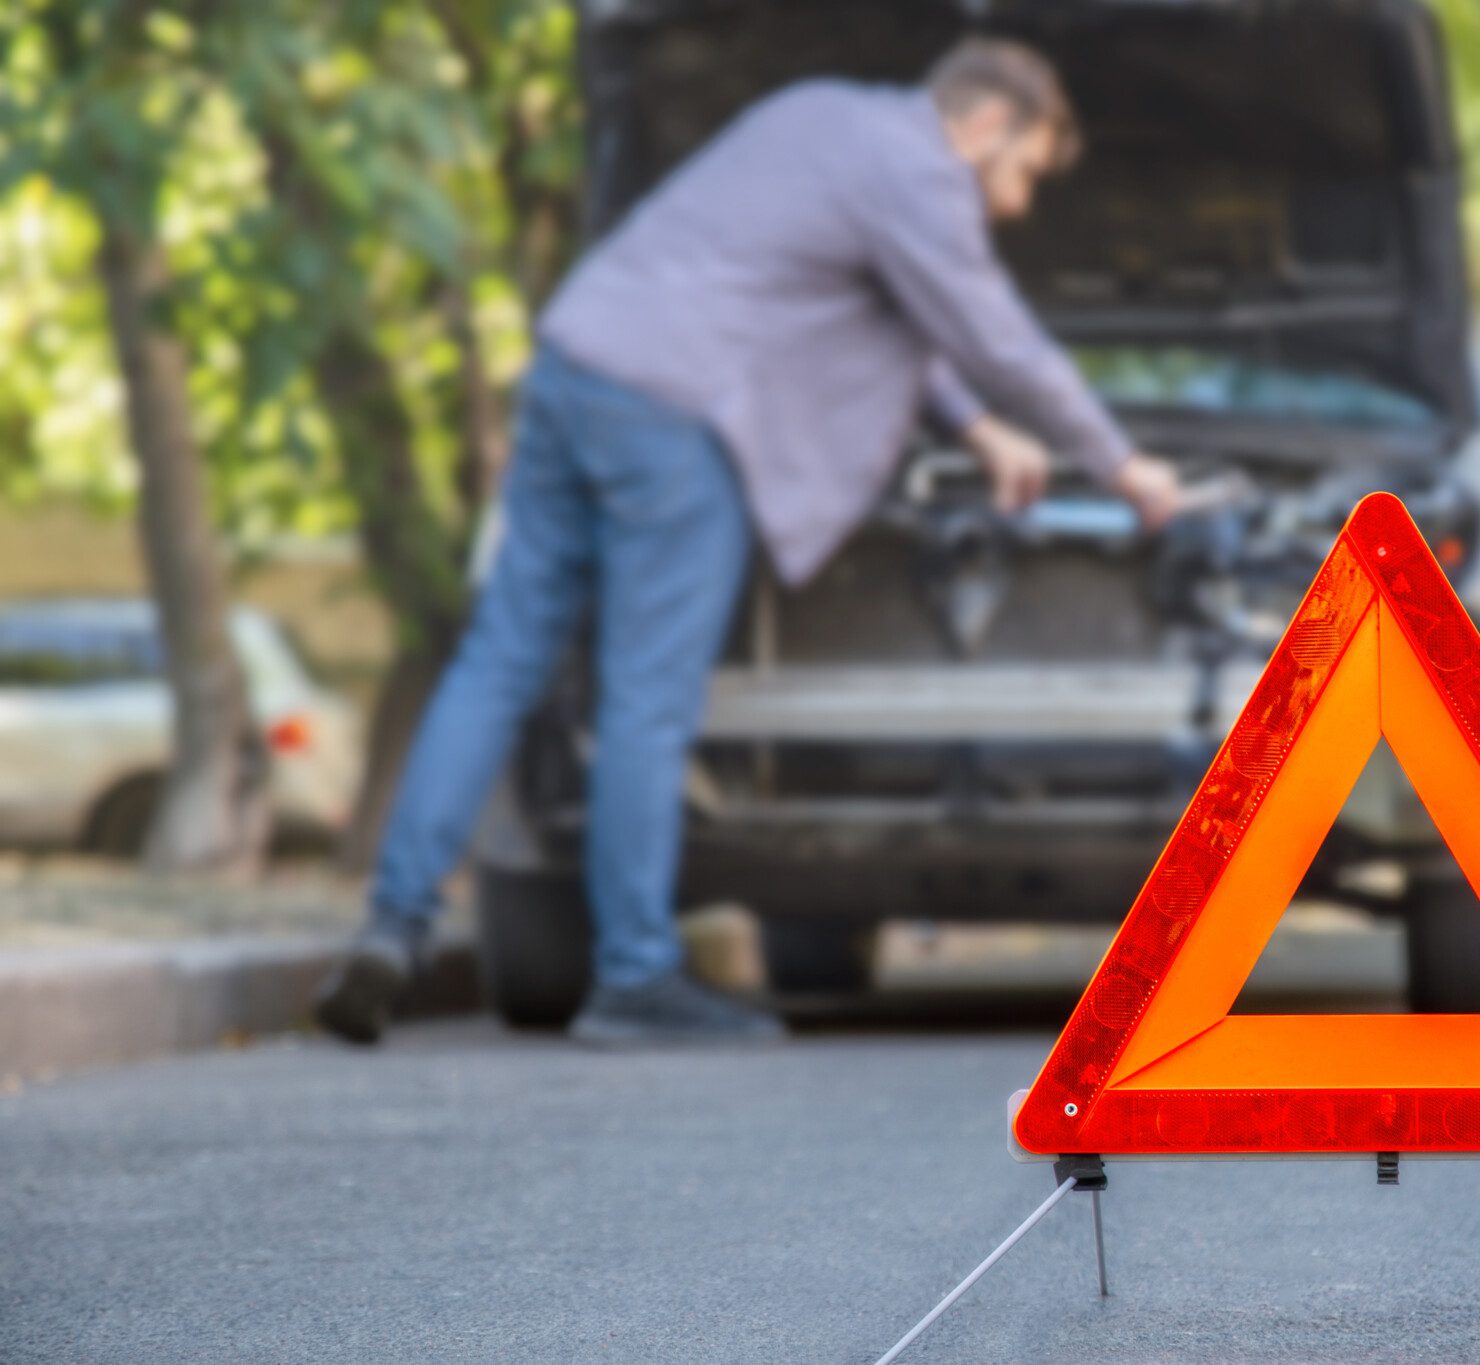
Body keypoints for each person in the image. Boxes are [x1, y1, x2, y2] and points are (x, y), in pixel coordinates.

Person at [314, 37, 1182, 1048]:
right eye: (1025, 168)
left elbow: (869, 305)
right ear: (986, 124)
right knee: (648, 699)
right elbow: (991, 334)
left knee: (499, 659)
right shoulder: (915, 169)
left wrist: (977, 429)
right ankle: (634, 976)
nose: (1018, 202)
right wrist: (1120, 463)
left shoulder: (821, 108)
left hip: (575, 365)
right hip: (674, 419)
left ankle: (393, 927)